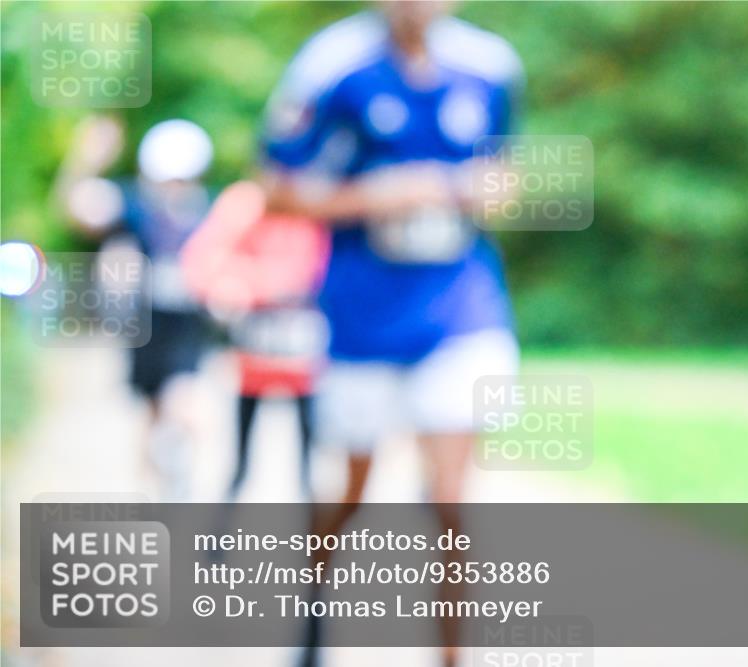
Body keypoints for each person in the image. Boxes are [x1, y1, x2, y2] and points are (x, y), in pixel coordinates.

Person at [259, 2, 523, 664]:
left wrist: (479, 190)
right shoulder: (330, 66)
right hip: (361, 314)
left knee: (451, 499)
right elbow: (275, 188)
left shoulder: (490, 66)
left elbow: (508, 174)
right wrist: (383, 193)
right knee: (352, 486)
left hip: (459, 304)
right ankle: (312, 618)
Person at [55, 116, 215, 500]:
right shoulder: (137, 207)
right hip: (146, 326)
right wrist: (83, 161)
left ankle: (178, 487)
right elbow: (78, 212)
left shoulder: (207, 212)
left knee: (185, 405)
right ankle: (153, 495)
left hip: (187, 326)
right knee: (151, 414)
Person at [181, 180, 330, 500]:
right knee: (240, 456)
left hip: (306, 351)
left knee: (310, 460)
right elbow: (204, 259)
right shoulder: (246, 203)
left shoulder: (320, 198)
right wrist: (245, 285)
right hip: (256, 352)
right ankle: (223, 533)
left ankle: (317, 540)